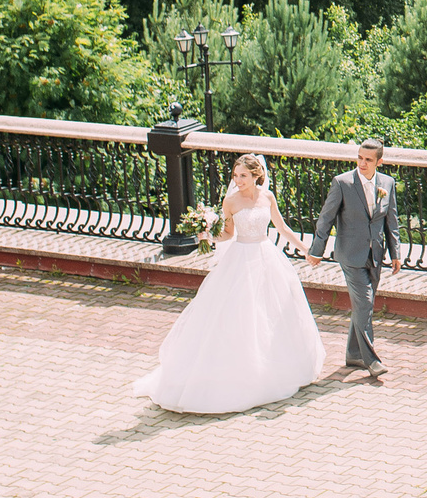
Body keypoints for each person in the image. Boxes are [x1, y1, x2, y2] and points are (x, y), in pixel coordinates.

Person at [133, 153, 323, 413]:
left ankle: (270, 370)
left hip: (266, 257)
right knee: (240, 316)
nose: (238, 180)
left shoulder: (267, 197)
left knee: (271, 314)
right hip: (241, 259)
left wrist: (306, 249)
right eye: (235, 175)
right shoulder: (230, 201)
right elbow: (228, 234)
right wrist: (208, 235)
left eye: (243, 175)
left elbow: (282, 228)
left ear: (257, 175)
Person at [310, 140, 401, 377]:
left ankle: (353, 354)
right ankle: (371, 360)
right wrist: (317, 250)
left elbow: (391, 221)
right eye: (360, 157)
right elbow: (325, 219)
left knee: (363, 306)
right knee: (365, 303)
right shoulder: (342, 183)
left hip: (375, 255)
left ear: (379, 162)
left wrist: (395, 254)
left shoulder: (387, 183)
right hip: (350, 255)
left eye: (368, 159)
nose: (362, 163)